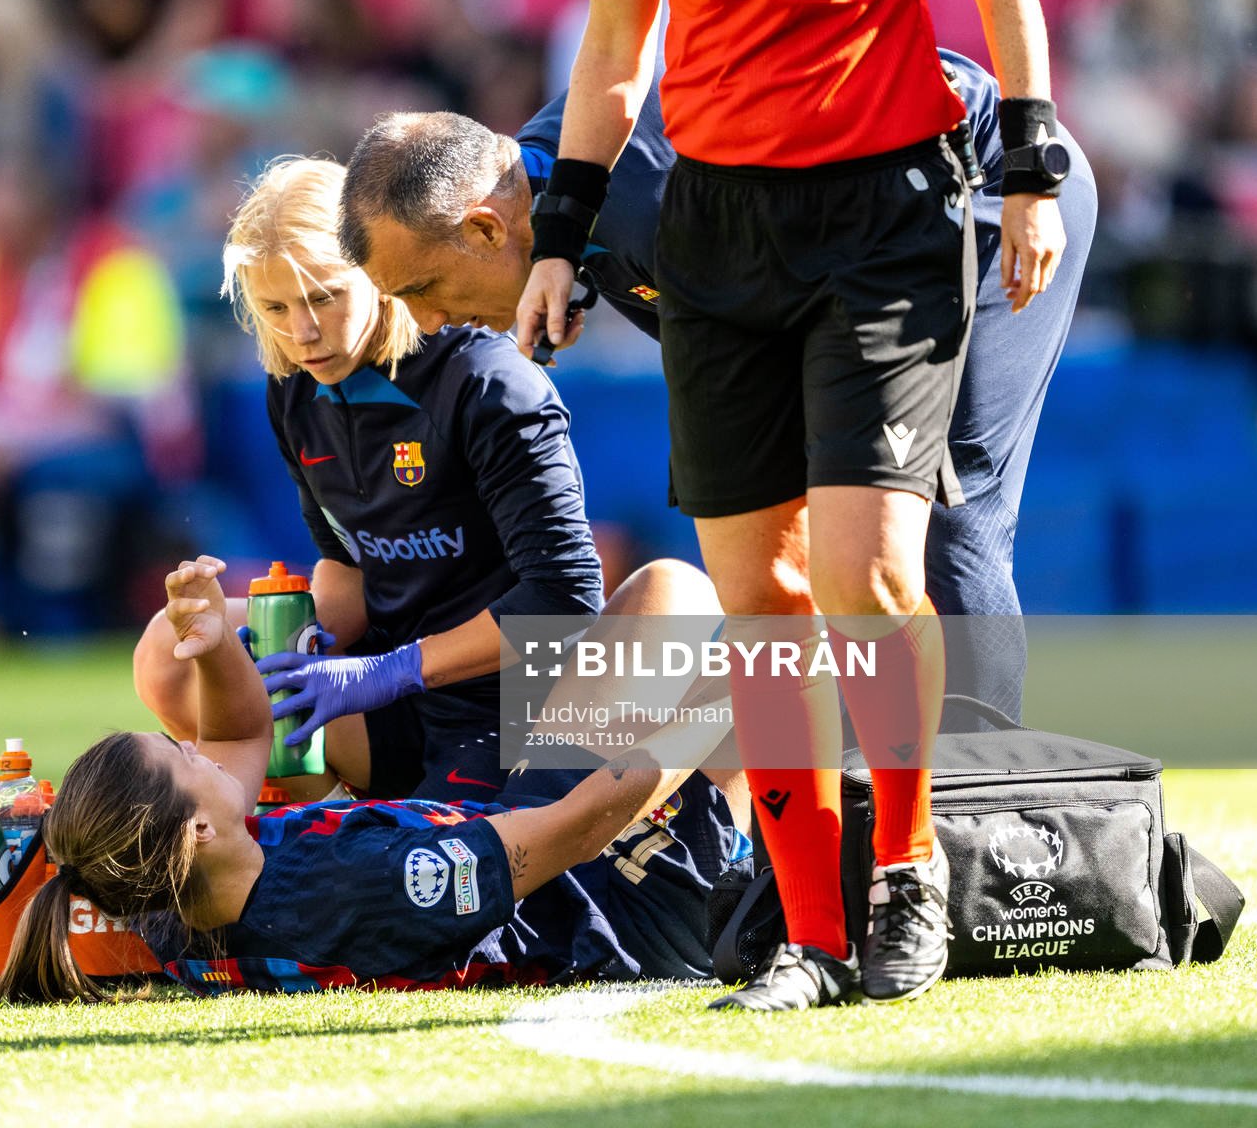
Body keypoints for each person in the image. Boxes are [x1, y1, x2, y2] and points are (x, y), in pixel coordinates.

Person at [508, 0, 1071, 1010]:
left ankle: (907, 874)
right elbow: (618, 41)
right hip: (714, 232)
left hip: (888, 218)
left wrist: (1031, 165)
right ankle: (809, 934)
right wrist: (561, 232)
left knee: (863, 570)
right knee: (759, 590)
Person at [338, 47, 1097, 721]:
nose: (428, 320)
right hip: (847, 234)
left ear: (485, 229)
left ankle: (982, 812)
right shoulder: (553, 189)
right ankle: (865, 794)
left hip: (986, 185)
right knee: (800, 533)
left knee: (940, 506)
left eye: (422, 287)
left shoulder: (658, 206)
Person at [1, 555, 743, 1004]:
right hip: (615, 909)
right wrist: (711, 704)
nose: (199, 749)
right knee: (675, 601)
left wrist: (216, 646)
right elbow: (580, 824)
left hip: (522, 840)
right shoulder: (374, 882)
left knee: (652, 646)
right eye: (183, 758)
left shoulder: (178, 896)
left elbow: (236, 732)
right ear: (194, 827)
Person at [132, 157, 604, 802]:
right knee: (170, 645)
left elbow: (567, 603)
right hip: (392, 689)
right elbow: (350, 570)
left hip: (517, 697)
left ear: (377, 272)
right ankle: (295, 817)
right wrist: (271, 634)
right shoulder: (293, 390)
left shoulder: (490, 384)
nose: (302, 333)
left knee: (681, 600)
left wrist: (384, 673)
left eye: (325, 296)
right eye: (275, 307)